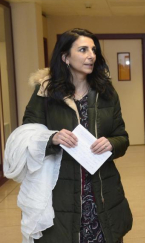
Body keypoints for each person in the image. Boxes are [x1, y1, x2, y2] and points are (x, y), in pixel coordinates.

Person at [22, 28, 133, 243]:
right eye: (83, 49)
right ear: (65, 57)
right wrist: (52, 138)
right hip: (59, 191)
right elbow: (27, 137)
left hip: (101, 189)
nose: (91, 55)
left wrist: (111, 144)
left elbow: (123, 138)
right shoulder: (45, 93)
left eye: (93, 50)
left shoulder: (106, 93)